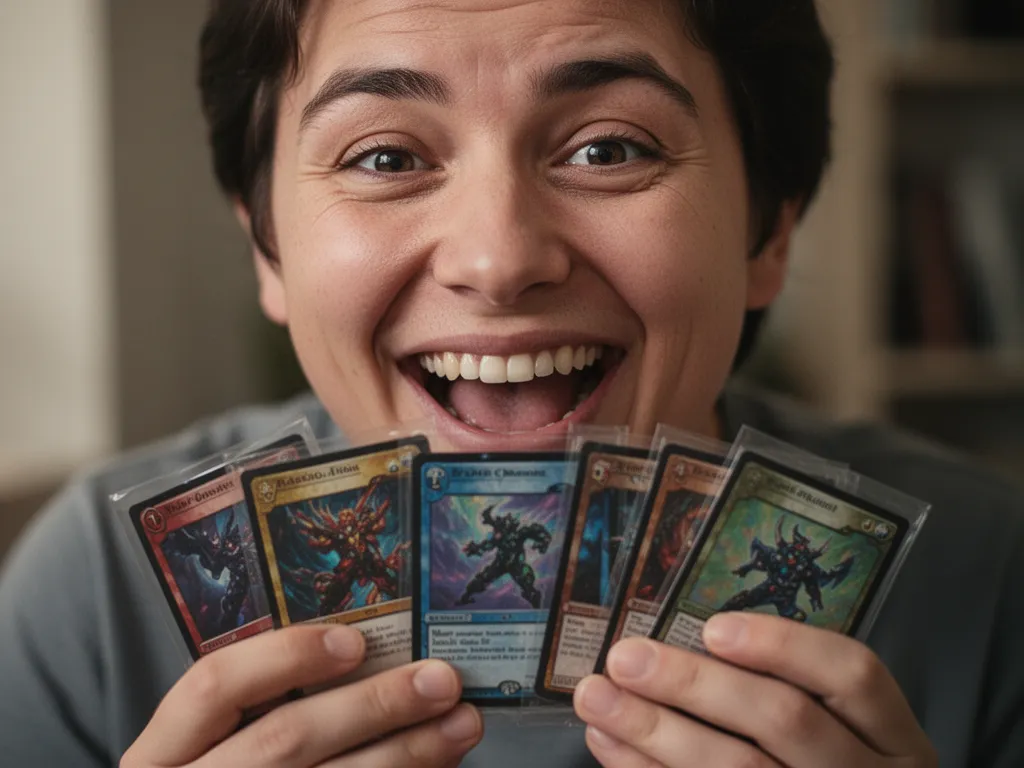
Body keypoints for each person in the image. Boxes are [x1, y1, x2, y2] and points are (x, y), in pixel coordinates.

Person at [1, 0, 1021, 765]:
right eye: (386, 155)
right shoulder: (99, 591)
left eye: (607, 147)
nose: (497, 258)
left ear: (770, 229)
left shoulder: (995, 582)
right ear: (266, 250)